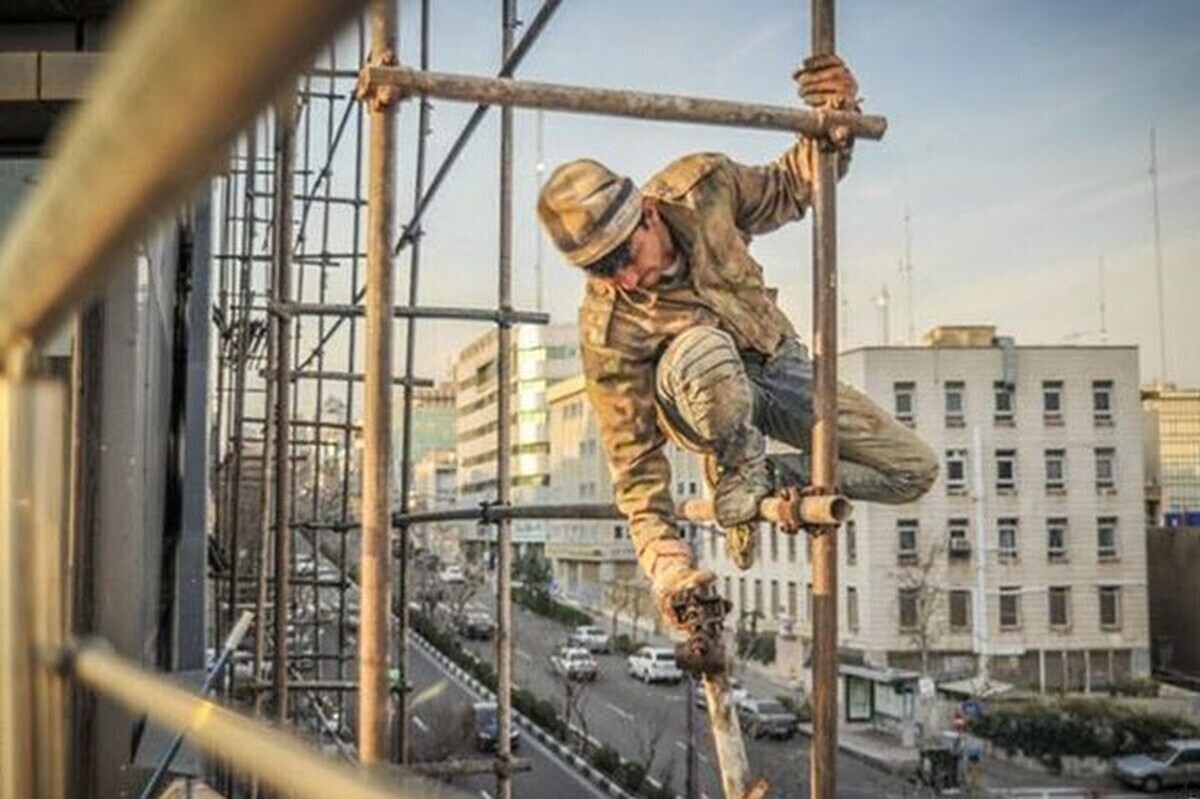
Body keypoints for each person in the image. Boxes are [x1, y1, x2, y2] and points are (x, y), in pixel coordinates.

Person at [537, 55, 937, 635]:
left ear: (647, 213)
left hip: (776, 363)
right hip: (697, 393)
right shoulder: (609, 330)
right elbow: (635, 469)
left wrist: (837, 118)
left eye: (624, 256)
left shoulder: (704, 189)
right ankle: (735, 461)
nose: (623, 278)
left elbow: (792, 188)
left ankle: (756, 480)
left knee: (912, 471)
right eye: (601, 270)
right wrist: (670, 570)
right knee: (703, 348)